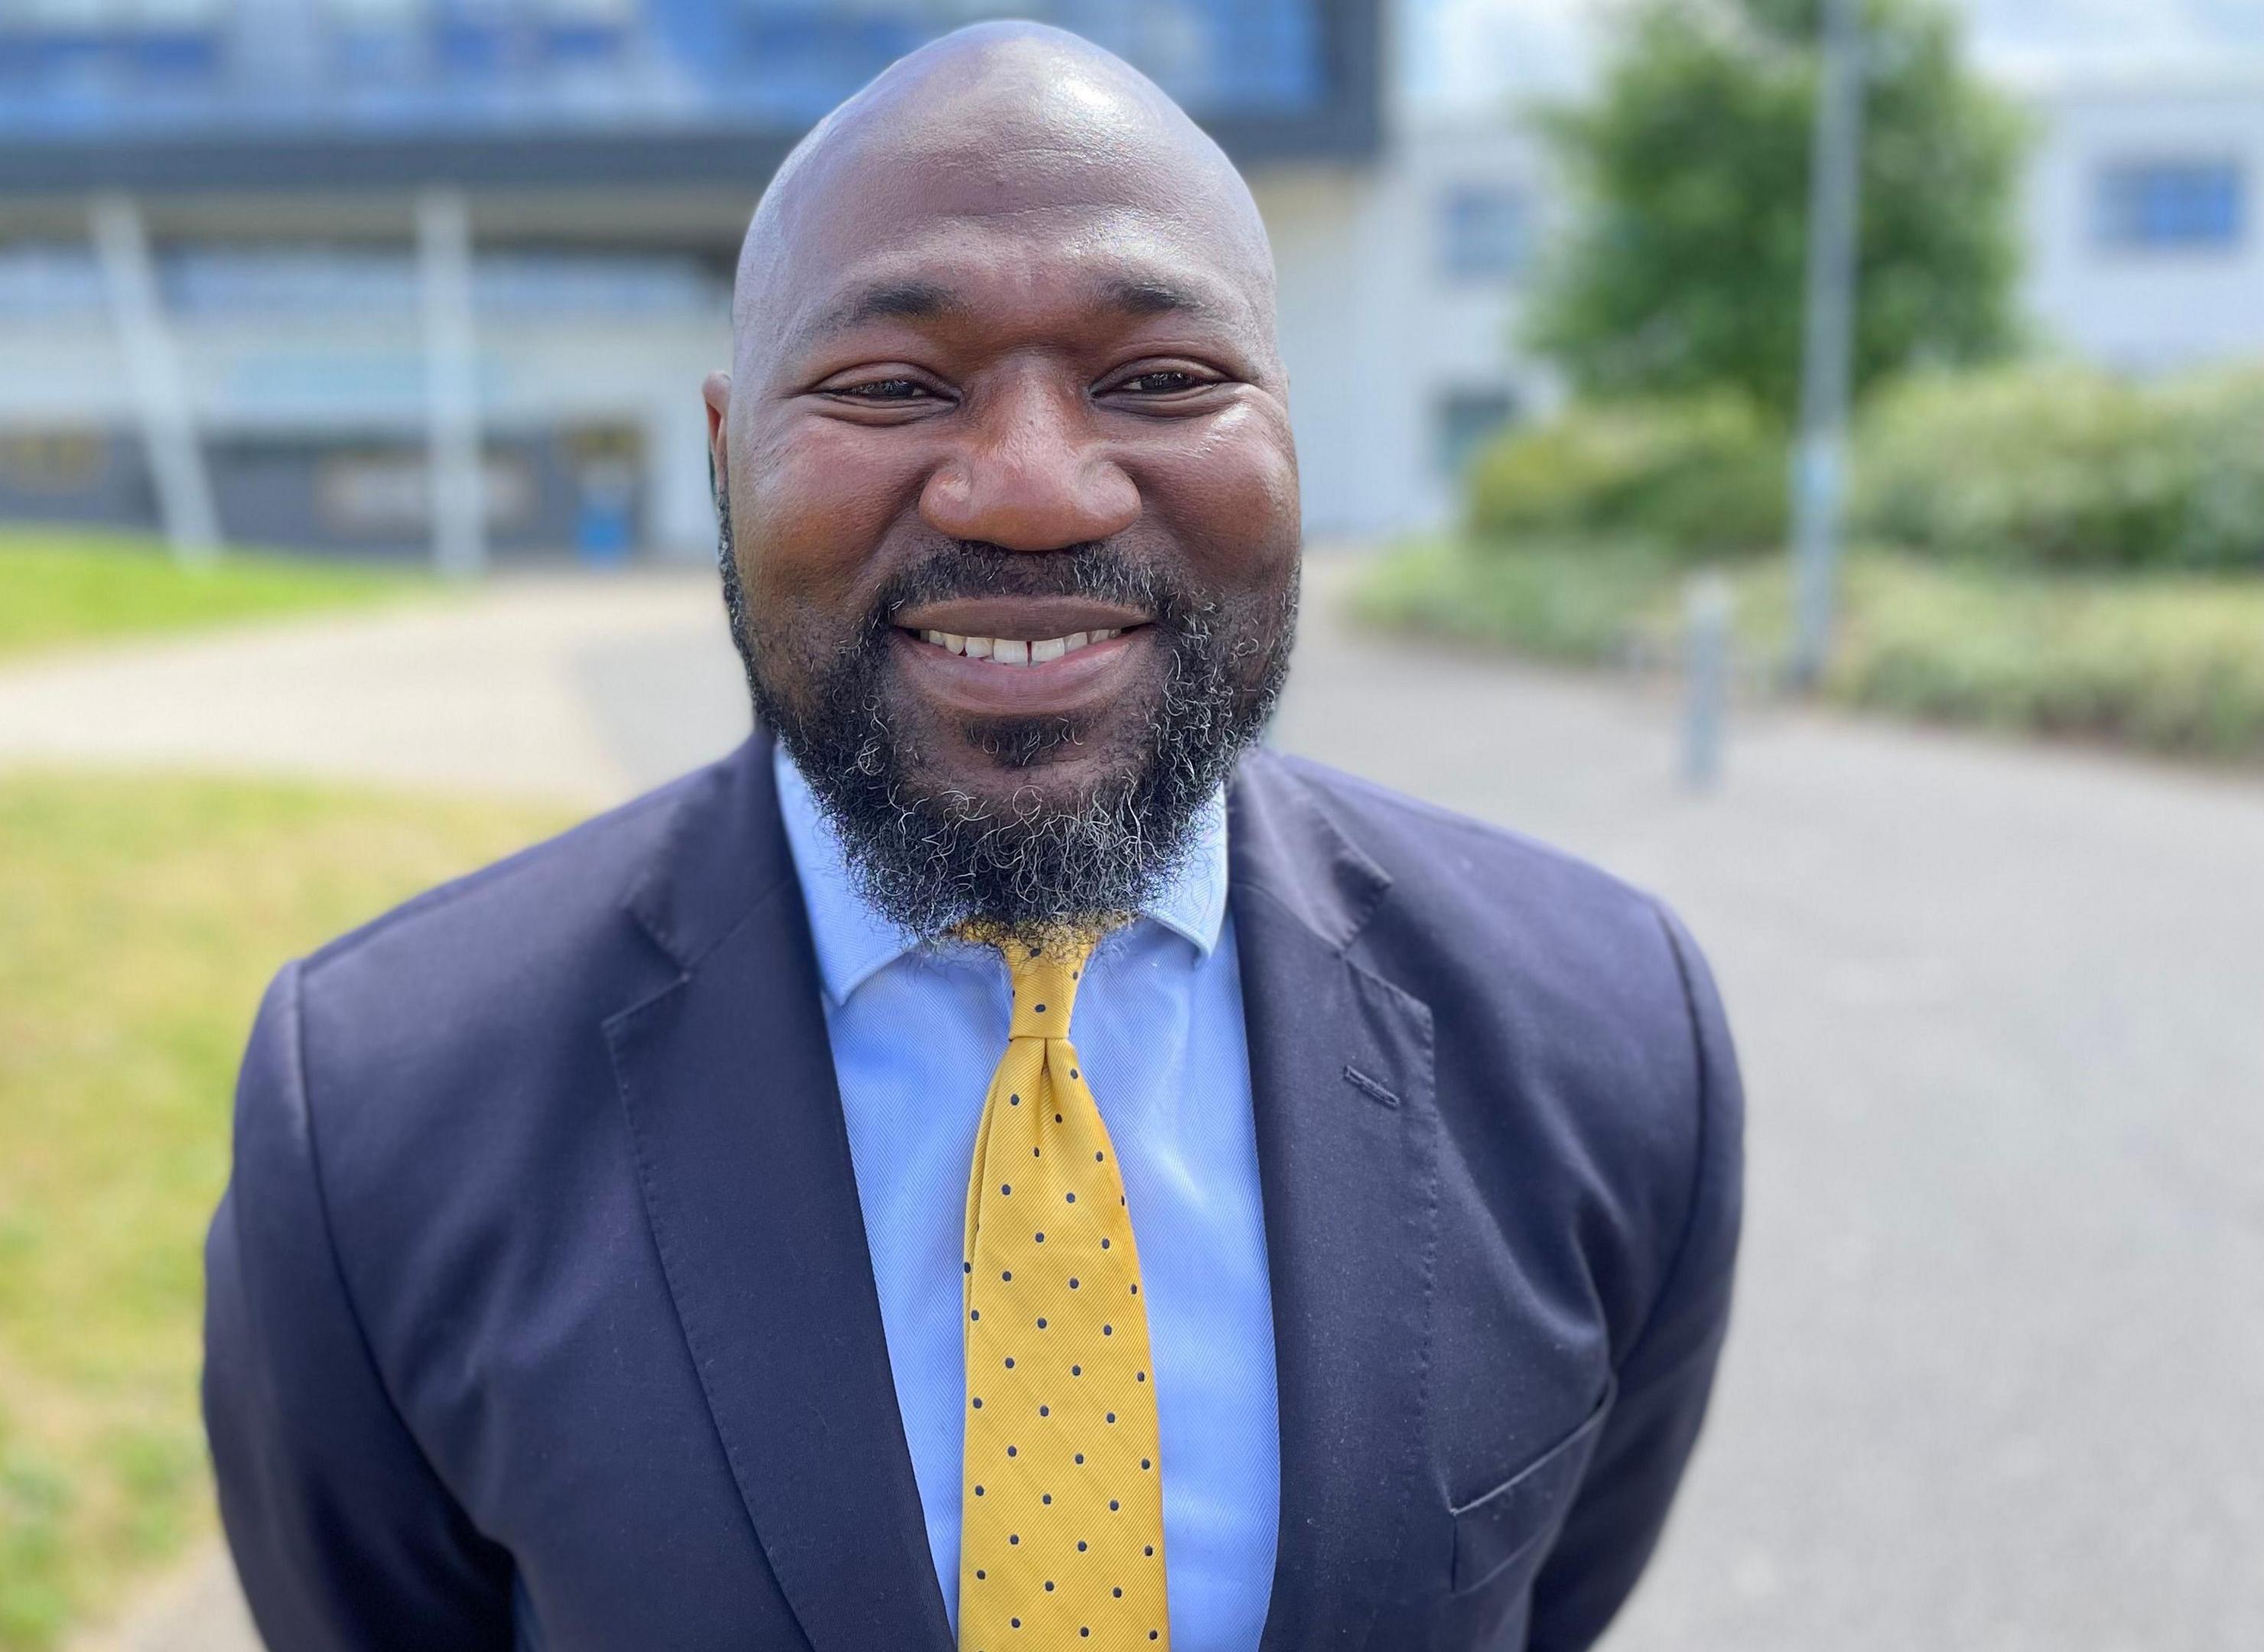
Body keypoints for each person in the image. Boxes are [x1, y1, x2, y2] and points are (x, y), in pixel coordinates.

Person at [202, 23, 1741, 1652]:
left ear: (1289, 433)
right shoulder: (378, 1109)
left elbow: (1551, 1596)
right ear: (729, 461)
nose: (1031, 489)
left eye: (1159, 380)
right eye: (890, 387)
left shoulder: (1609, 1037)